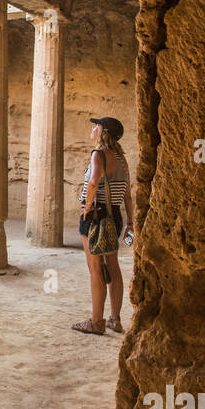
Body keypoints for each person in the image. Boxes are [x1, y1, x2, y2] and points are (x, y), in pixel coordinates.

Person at [72, 116, 135, 335]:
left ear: (103, 131)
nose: (93, 128)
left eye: (96, 126)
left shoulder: (98, 155)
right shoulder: (122, 158)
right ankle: (115, 319)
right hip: (114, 216)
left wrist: (87, 206)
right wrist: (130, 222)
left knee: (96, 269)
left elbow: (93, 182)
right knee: (113, 266)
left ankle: (97, 321)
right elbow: (127, 194)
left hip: (96, 218)